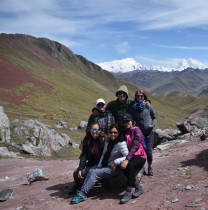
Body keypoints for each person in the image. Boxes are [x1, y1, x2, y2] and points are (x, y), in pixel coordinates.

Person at [71, 124, 128, 204]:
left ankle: (82, 194)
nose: (112, 134)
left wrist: (116, 162)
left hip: (115, 167)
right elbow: (104, 155)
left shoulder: (121, 143)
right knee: (91, 170)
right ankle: (81, 191)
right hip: (106, 164)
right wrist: (100, 166)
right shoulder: (108, 142)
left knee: (94, 173)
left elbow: (127, 156)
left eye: (115, 132)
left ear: (118, 133)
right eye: (111, 132)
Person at [69, 122, 105, 194]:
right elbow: (84, 155)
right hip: (92, 162)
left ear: (100, 130)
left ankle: (83, 189)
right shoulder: (88, 140)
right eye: (92, 130)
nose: (94, 132)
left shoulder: (103, 140)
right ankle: (77, 186)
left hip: (102, 163)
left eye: (96, 130)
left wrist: (101, 165)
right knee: (76, 172)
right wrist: (80, 168)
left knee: (88, 172)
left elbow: (107, 154)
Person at [120, 113, 146, 204]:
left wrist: (127, 159)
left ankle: (128, 191)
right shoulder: (125, 132)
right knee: (122, 167)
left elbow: (135, 146)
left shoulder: (137, 131)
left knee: (129, 165)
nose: (126, 123)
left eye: (128, 121)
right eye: (125, 122)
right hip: (131, 156)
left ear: (132, 122)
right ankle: (138, 188)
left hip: (140, 156)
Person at [130, 90, 157, 176]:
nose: (140, 97)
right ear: (136, 97)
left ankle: (150, 167)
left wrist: (153, 125)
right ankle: (141, 168)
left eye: (141, 96)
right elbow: (131, 119)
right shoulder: (134, 107)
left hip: (149, 132)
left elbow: (154, 117)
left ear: (144, 97)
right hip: (138, 134)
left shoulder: (148, 106)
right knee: (139, 152)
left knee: (149, 151)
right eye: (138, 96)